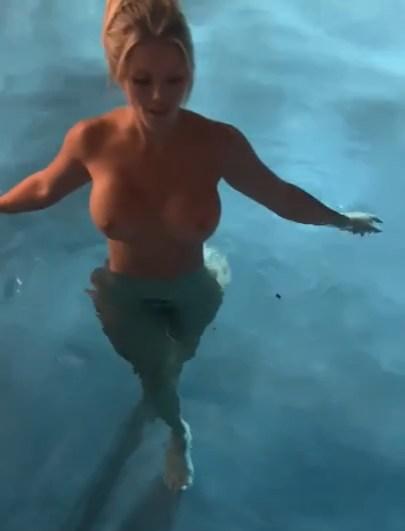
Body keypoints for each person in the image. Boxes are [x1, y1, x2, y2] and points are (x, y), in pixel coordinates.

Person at [0, 0, 383, 492]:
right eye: (142, 81)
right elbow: (42, 188)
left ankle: (163, 403)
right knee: (156, 372)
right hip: (124, 294)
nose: (159, 96)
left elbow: (279, 195)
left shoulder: (217, 143)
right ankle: (178, 435)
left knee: (174, 364)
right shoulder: (93, 141)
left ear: (191, 73)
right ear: (118, 74)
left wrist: (340, 220)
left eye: (174, 79)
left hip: (195, 288)